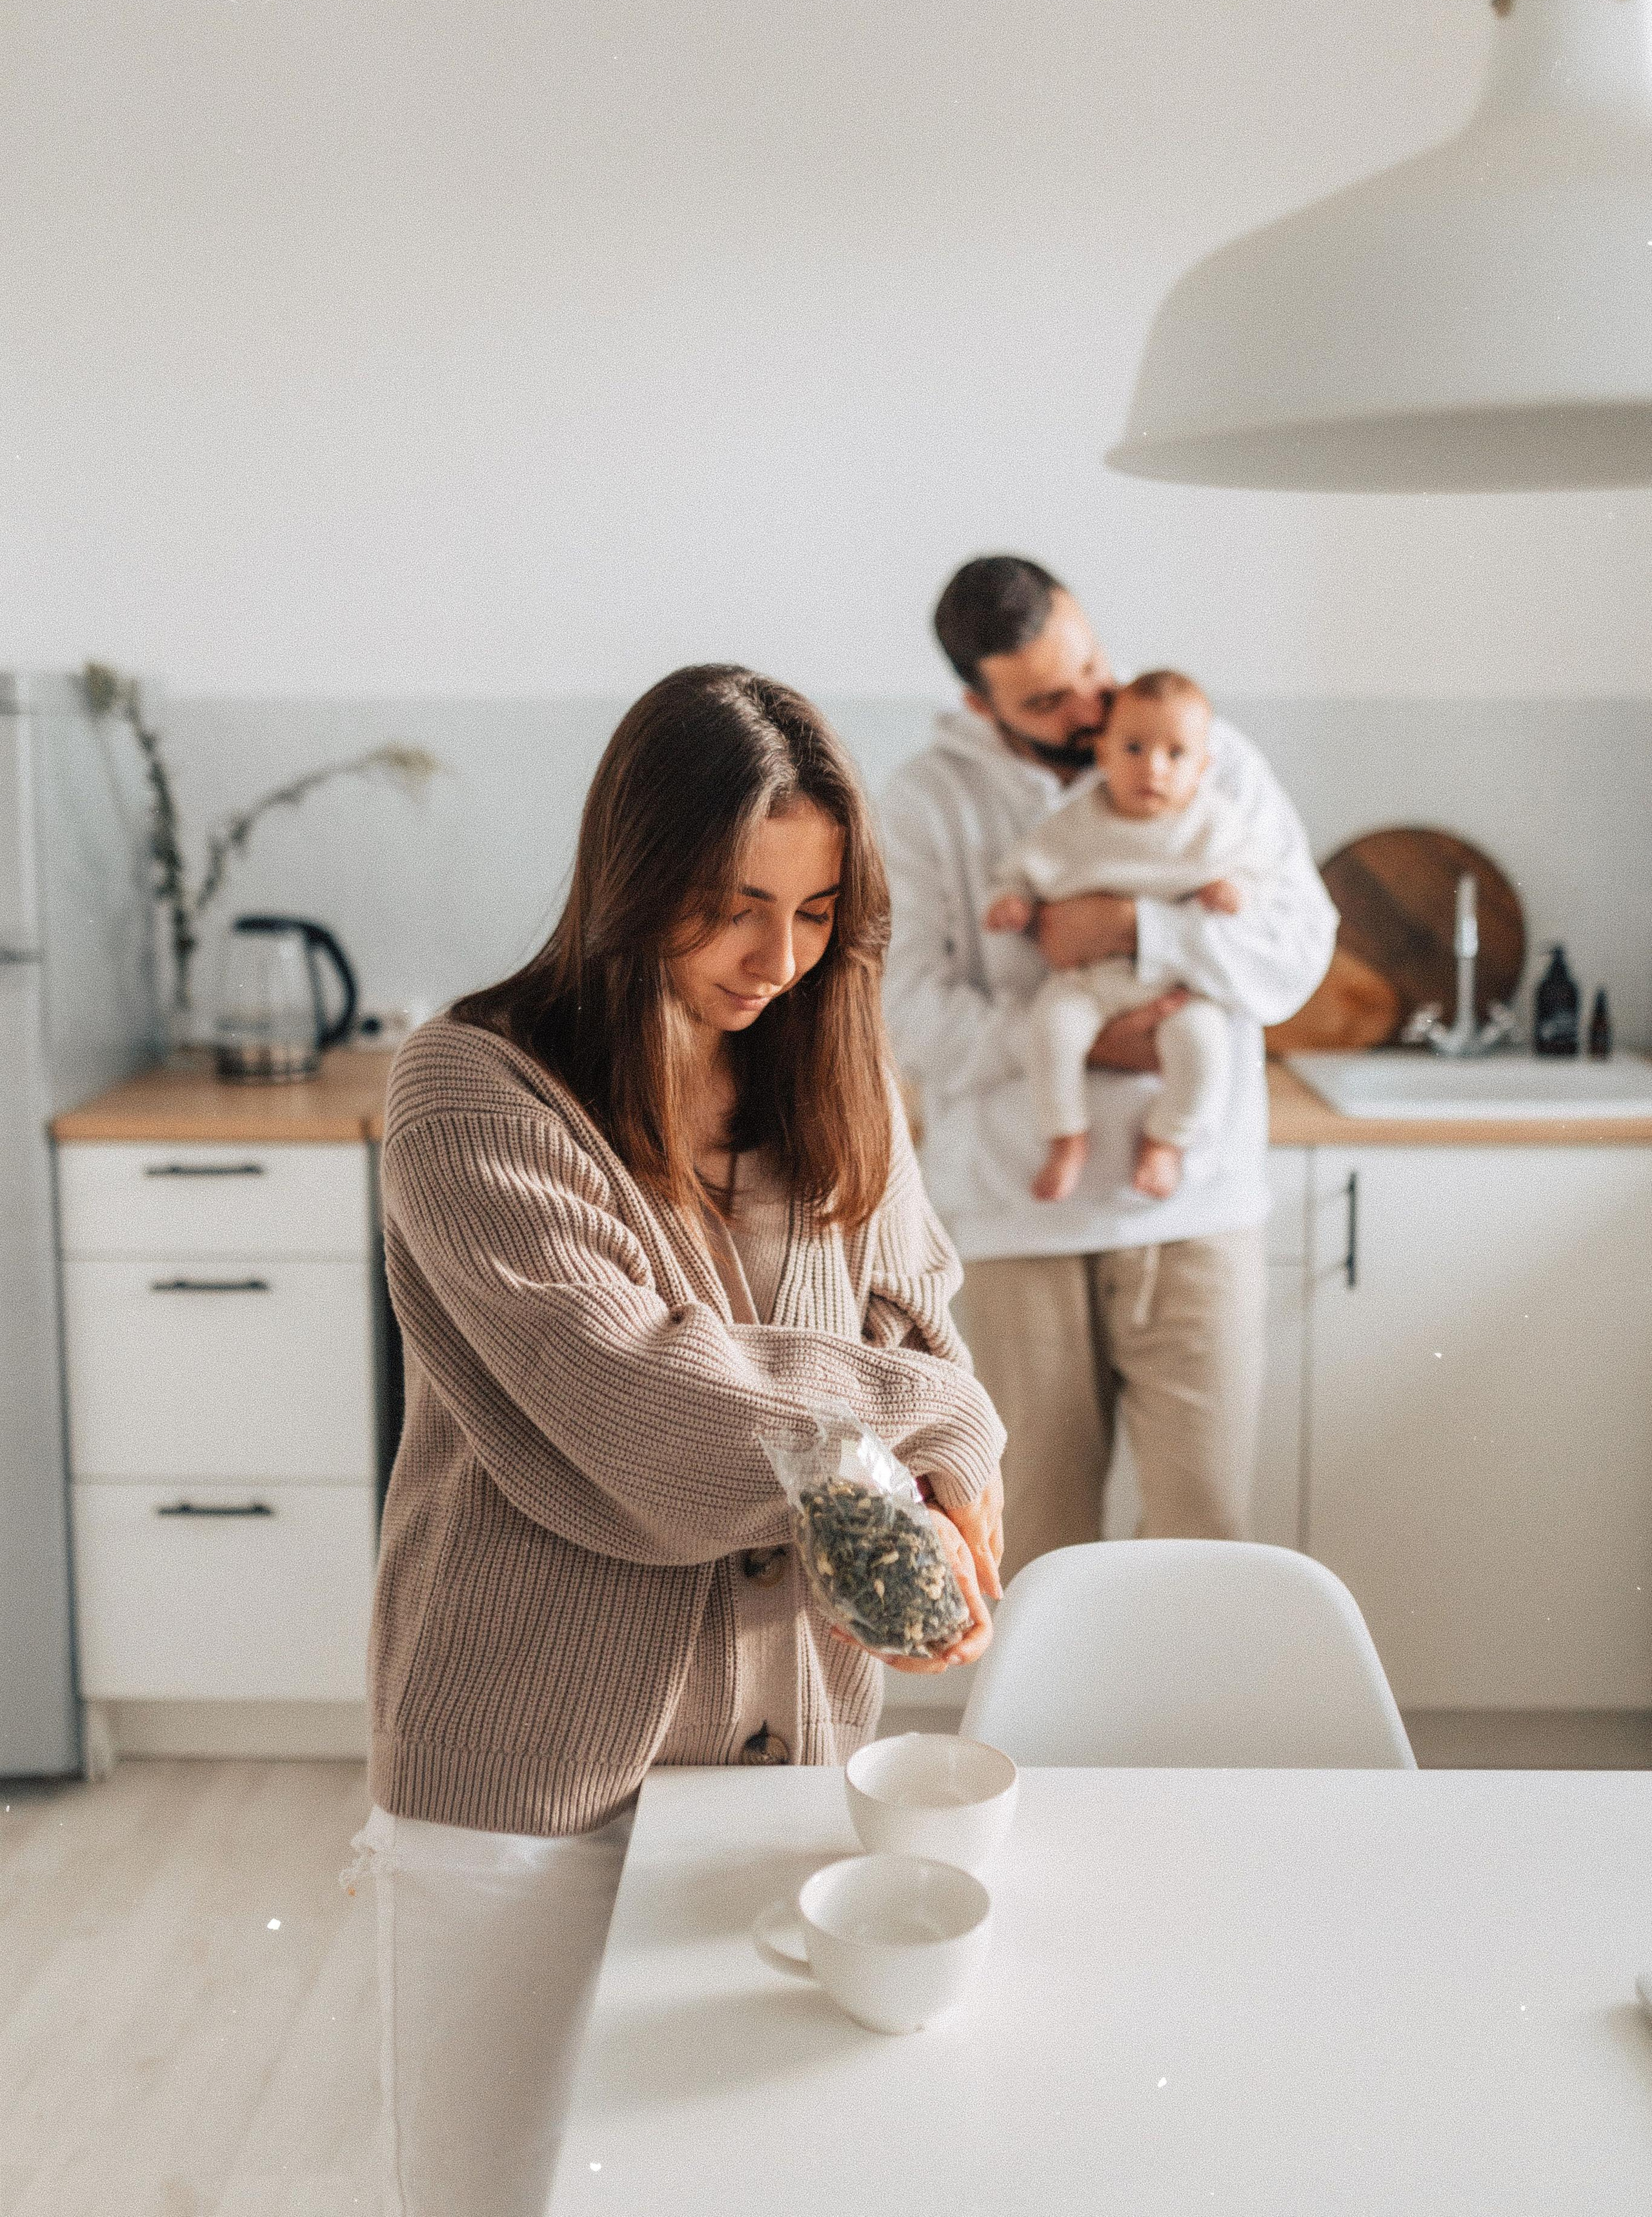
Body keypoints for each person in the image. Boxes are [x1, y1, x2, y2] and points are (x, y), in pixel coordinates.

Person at [350, 664, 1005, 2217]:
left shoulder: (833, 1078)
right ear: (631, 875)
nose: (776, 959)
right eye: (731, 908)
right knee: (495, 2197)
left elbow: (920, 1330)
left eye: (815, 911)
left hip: (787, 1771)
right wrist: (941, 1423)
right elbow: (653, 1417)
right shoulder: (470, 1093)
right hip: (525, 1795)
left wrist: (951, 1479)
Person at [882, 557, 1335, 1581]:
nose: (1091, 706)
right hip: (1014, 1219)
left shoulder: (1209, 757)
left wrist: (1137, 928)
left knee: (1205, 1541)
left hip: (1195, 1207)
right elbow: (905, 1015)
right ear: (980, 704)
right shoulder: (924, 803)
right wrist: (1086, 1037)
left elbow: (1295, 952)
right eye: (1048, 700)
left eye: (1089, 666)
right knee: (1033, 1548)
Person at [984, 668, 1286, 1205]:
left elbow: (1260, 879)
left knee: (1204, 1047)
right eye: (1133, 748)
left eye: (1176, 754)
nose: (1153, 768)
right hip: (1088, 979)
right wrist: (1013, 899)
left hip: (1178, 988)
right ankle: (1067, 1138)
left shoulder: (1214, 825)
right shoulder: (1076, 822)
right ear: (1102, 752)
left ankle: (1167, 1140)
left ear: (1204, 766)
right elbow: (1022, 868)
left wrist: (1235, 890)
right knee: (1051, 1031)